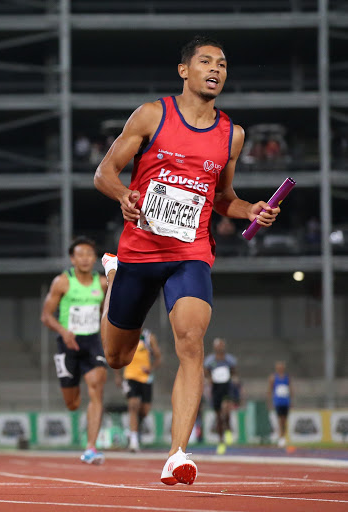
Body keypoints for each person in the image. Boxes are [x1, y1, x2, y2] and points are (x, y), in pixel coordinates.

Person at [94, 35, 280, 485]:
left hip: (190, 253)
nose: (216, 69)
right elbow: (104, 173)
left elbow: (223, 200)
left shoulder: (230, 135)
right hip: (139, 250)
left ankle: (177, 452)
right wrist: (124, 194)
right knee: (116, 358)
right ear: (185, 71)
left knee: (191, 341)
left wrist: (250, 209)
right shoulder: (152, 115)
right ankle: (113, 274)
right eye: (206, 61)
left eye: (223, 63)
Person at [41, 236, 109, 464]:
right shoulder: (62, 282)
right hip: (67, 343)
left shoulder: (101, 283)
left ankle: (91, 447)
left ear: (95, 258)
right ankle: (75, 394)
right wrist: (64, 332)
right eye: (80, 255)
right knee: (72, 403)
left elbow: (105, 312)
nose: (85, 259)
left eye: (89, 255)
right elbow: (46, 316)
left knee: (97, 388)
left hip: (91, 342)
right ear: (72, 258)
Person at [114, 328, 162, 452]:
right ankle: (134, 441)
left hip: (145, 379)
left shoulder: (148, 337)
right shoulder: (124, 336)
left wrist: (151, 368)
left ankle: (132, 431)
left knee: (145, 410)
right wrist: (118, 376)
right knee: (133, 405)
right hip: (130, 377)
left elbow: (158, 357)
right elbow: (117, 357)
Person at [204, 338, 237, 454]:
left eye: (222, 346)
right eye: (218, 346)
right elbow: (206, 371)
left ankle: (228, 429)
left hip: (226, 387)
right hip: (216, 388)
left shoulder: (229, 359)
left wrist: (234, 379)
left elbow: (234, 371)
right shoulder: (210, 360)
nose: (220, 348)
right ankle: (221, 441)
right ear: (214, 347)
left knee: (226, 411)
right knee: (218, 416)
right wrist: (209, 379)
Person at [268, 361, 293, 448]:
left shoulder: (287, 377)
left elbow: (290, 389)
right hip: (278, 402)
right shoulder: (273, 378)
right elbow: (270, 390)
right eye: (279, 367)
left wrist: (291, 400)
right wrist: (270, 401)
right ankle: (281, 437)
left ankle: (283, 436)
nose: (280, 369)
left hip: (285, 401)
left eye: (281, 367)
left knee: (284, 420)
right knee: (279, 420)